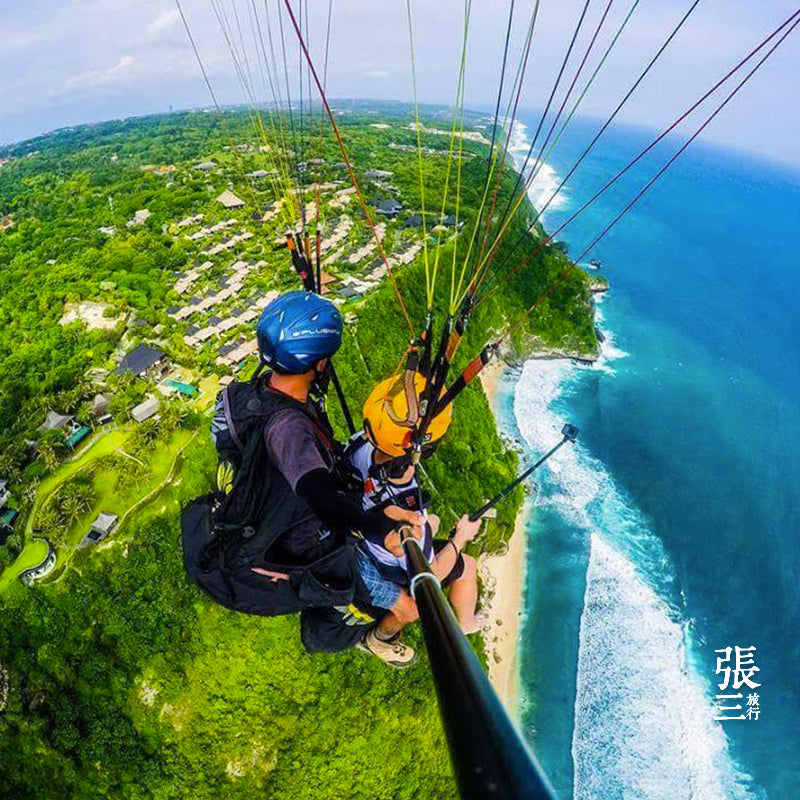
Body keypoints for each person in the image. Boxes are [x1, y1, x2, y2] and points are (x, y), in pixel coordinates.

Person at [200, 291, 423, 624]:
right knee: (410, 607)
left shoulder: (262, 391)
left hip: (284, 510)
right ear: (319, 363)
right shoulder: (288, 428)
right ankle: (374, 636)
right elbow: (321, 496)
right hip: (305, 545)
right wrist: (374, 526)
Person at [349, 374, 487, 668]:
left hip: (363, 532)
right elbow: (428, 578)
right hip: (386, 565)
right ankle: (465, 623)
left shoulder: (359, 446)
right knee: (466, 567)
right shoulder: (408, 515)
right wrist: (461, 537)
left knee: (434, 520)